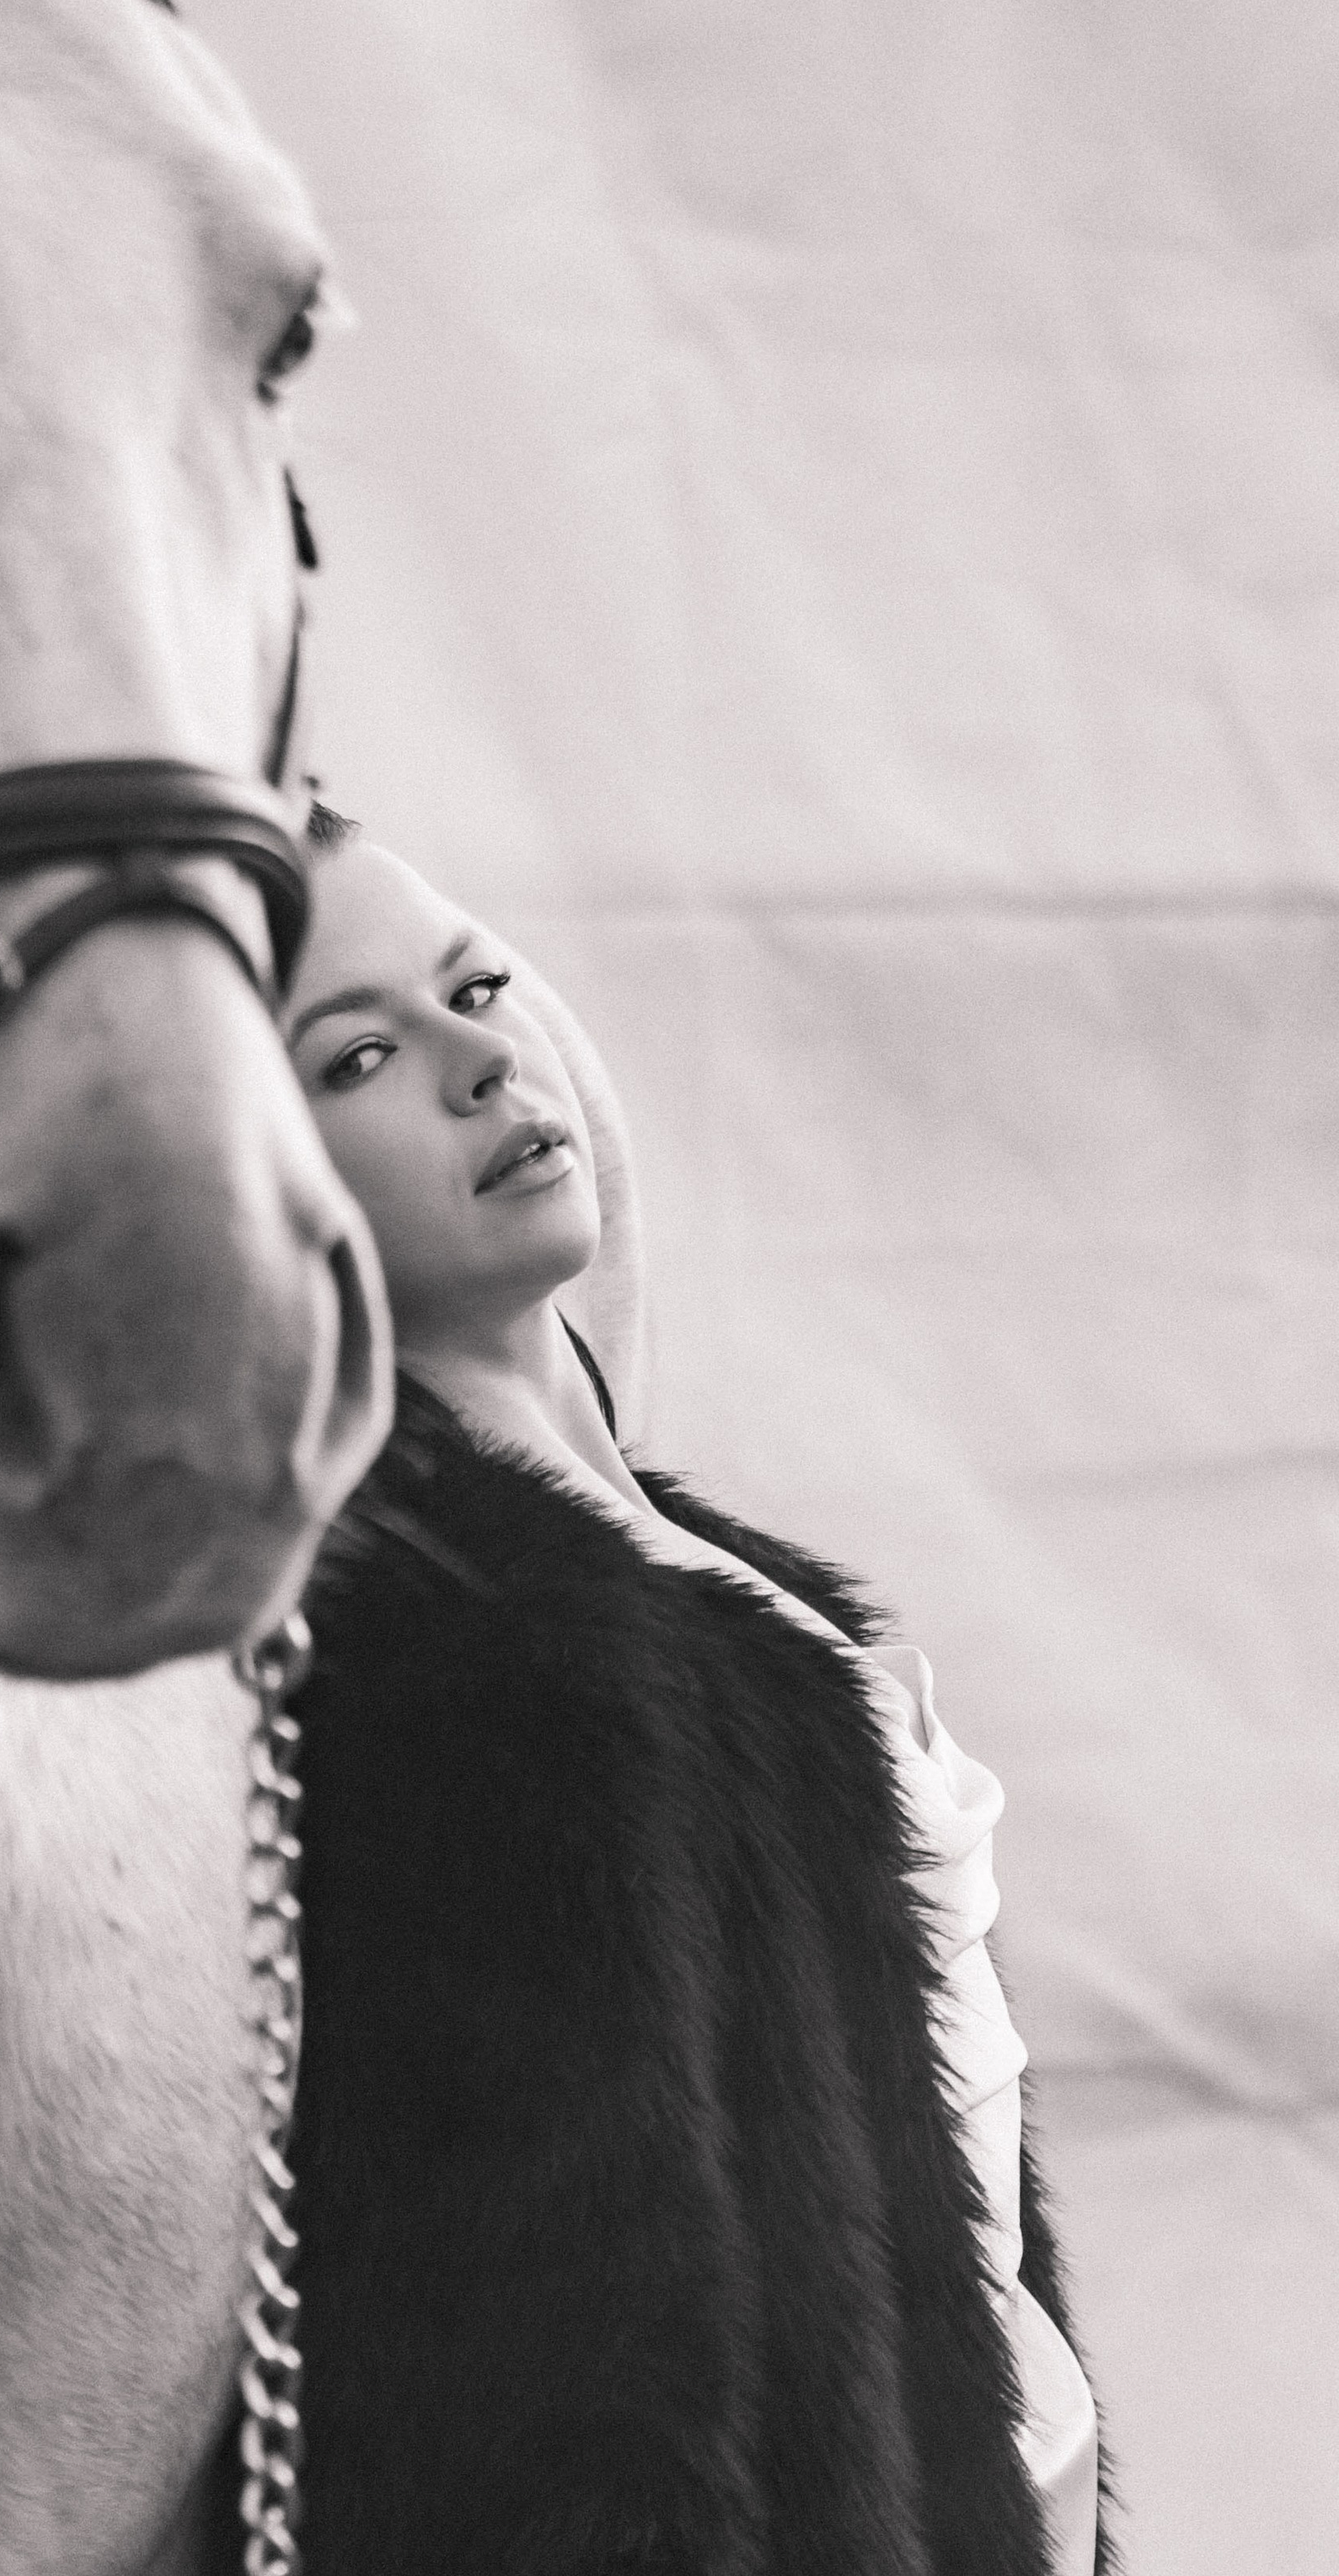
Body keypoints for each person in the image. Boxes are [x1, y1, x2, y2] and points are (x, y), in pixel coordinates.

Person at [261, 809, 1106, 2576]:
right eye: (357, 1056)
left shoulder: (680, 1578)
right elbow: (557, 2399)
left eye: (475, 985)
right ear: (251, 1176)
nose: (482, 1062)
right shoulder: (460, 1667)